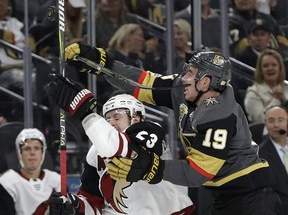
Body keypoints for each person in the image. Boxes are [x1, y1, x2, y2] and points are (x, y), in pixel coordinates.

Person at [63, 42, 282, 214]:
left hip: (252, 197)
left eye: (190, 73)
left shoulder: (220, 115)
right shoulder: (185, 90)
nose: (183, 77)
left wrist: (152, 167)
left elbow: (198, 173)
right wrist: (103, 65)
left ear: (205, 82)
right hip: (223, 195)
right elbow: (142, 83)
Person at [47, 81, 195, 214]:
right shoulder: (95, 154)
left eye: (117, 117)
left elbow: (119, 148)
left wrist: (85, 112)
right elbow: (94, 204)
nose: (110, 123)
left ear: (136, 117)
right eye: (107, 118)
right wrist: (75, 206)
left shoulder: (151, 130)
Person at [0, 128, 61, 214]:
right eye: (27, 148)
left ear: (43, 152)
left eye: (37, 148)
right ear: (19, 153)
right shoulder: (6, 183)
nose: (32, 153)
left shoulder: (57, 181)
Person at [244, 49, 288, 123]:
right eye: (265, 66)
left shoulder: (286, 87)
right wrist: (276, 99)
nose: (270, 68)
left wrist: (284, 100)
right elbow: (260, 121)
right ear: (260, 70)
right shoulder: (253, 93)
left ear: (280, 68)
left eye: (274, 65)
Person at [258, 105, 288, 215]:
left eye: (280, 120)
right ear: (265, 124)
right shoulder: (260, 155)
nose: (276, 125)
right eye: (271, 121)